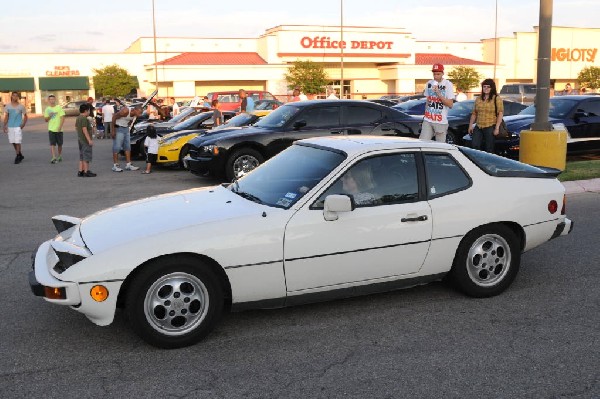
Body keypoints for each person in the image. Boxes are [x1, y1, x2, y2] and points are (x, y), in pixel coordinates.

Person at [420, 63, 455, 143]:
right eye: (434, 74)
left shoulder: (447, 84)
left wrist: (438, 93)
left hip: (440, 121)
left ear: (443, 73)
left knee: (440, 146)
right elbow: (428, 100)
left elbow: (450, 104)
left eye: (438, 74)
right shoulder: (429, 83)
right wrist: (425, 114)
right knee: (422, 143)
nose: (436, 76)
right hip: (428, 119)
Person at [468, 78, 504, 153]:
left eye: (488, 87)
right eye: (484, 87)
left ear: (492, 88)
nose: (486, 88)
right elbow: (474, 113)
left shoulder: (496, 98)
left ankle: (489, 164)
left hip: (490, 125)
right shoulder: (478, 98)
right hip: (479, 126)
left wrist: (497, 128)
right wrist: (470, 126)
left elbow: (500, 113)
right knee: (475, 145)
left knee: (489, 147)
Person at [110, 105, 142, 172]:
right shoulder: (125, 111)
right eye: (139, 112)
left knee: (127, 147)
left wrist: (128, 126)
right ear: (134, 110)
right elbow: (114, 117)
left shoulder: (134, 115)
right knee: (117, 147)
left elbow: (130, 121)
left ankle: (128, 165)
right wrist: (113, 130)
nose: (140, 114)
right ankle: (115, 166)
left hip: (126, 129)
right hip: (118, 128)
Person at [3, 91, 28, 164]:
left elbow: (26, 116)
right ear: (11, 96)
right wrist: (4, 125)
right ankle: (20, 154)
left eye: (16, 96)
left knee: (17, 141)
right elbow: (6, 116)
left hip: (18, 126)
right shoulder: (8, 106)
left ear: (18, 97)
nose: (15, 97)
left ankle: (17, 156)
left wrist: (23, 124)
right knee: (13, 141)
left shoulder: (21, 106)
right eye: (13, 95)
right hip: (10, 126)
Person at [75, 103, 96, 177]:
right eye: (89, 110)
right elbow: (84, 129)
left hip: (80, 139)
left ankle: (80, 170)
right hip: (85, 140)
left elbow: (77, 127)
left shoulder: (78, 118)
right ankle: (86, 171)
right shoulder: (84, 118)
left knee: (82, 156)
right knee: (86, 156)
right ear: (86, 111)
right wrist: (89, 140)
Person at [43, 94, 65, 163]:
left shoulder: (59, 107)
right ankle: (53, 157)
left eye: (53, 99)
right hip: (51, 129)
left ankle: (59, 155)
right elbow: (46, 120)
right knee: (52, 144)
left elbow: (62, 118)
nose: (52, 101)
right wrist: (50, 115)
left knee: (60, 144)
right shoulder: (47, 109)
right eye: (50, 99)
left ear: (55, 100)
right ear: (48, 101)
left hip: (59, 129)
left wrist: (60, 127)